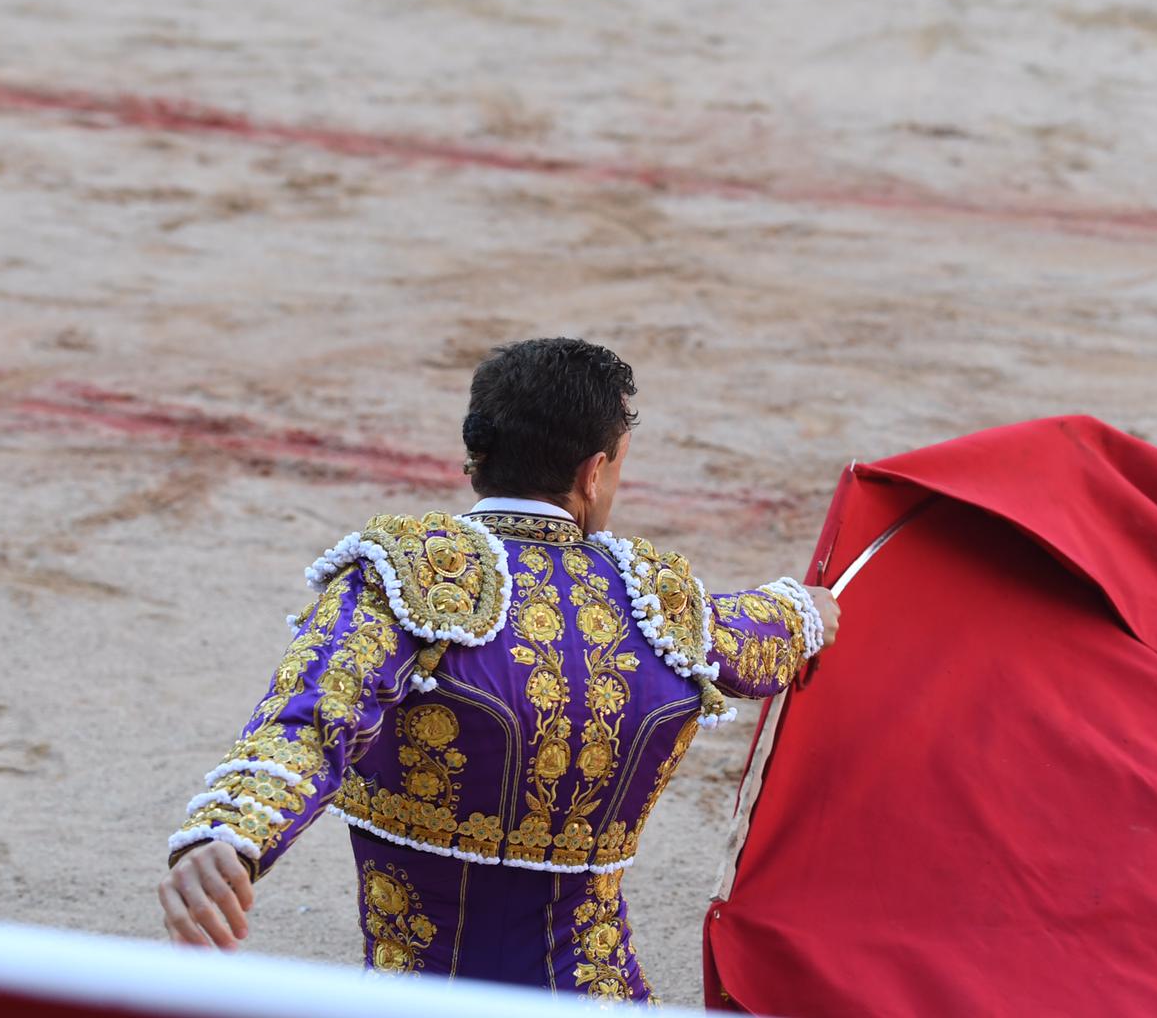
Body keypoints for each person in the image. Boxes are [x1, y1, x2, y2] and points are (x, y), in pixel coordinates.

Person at [157, 337, 839, 1002]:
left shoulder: (414, 575)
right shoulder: (658, 601)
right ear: (593, 471)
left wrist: (232, 835)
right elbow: (764, 630)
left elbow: (314, 714)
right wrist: (808, 611)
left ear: (477, 453)